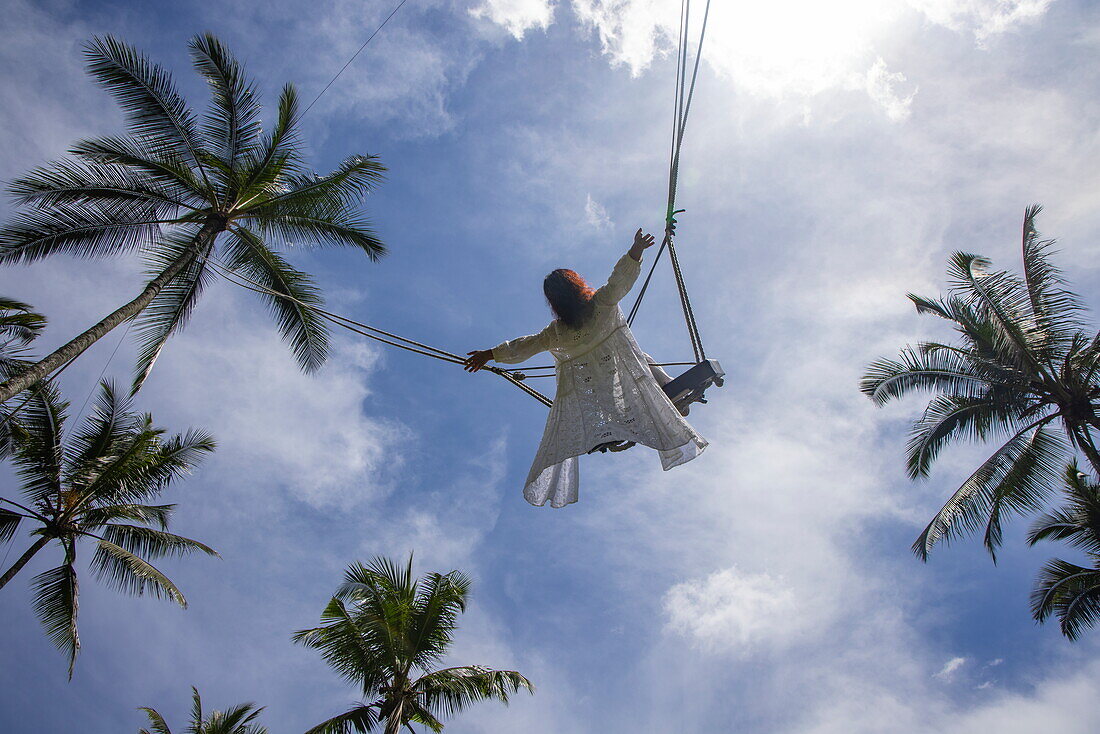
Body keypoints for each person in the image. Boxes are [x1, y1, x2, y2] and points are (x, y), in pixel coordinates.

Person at [464, 227, 708, 507]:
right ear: (577, 286)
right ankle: (666, 391)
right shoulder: (601, 304)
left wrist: (490, 354)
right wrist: (636, 250)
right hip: (632, 378)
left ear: (555, 303)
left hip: (604, 398)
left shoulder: (556, 334)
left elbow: (524, 346)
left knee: (623, 376)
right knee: (641, 360)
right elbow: (620, 282)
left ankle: (634, 418)